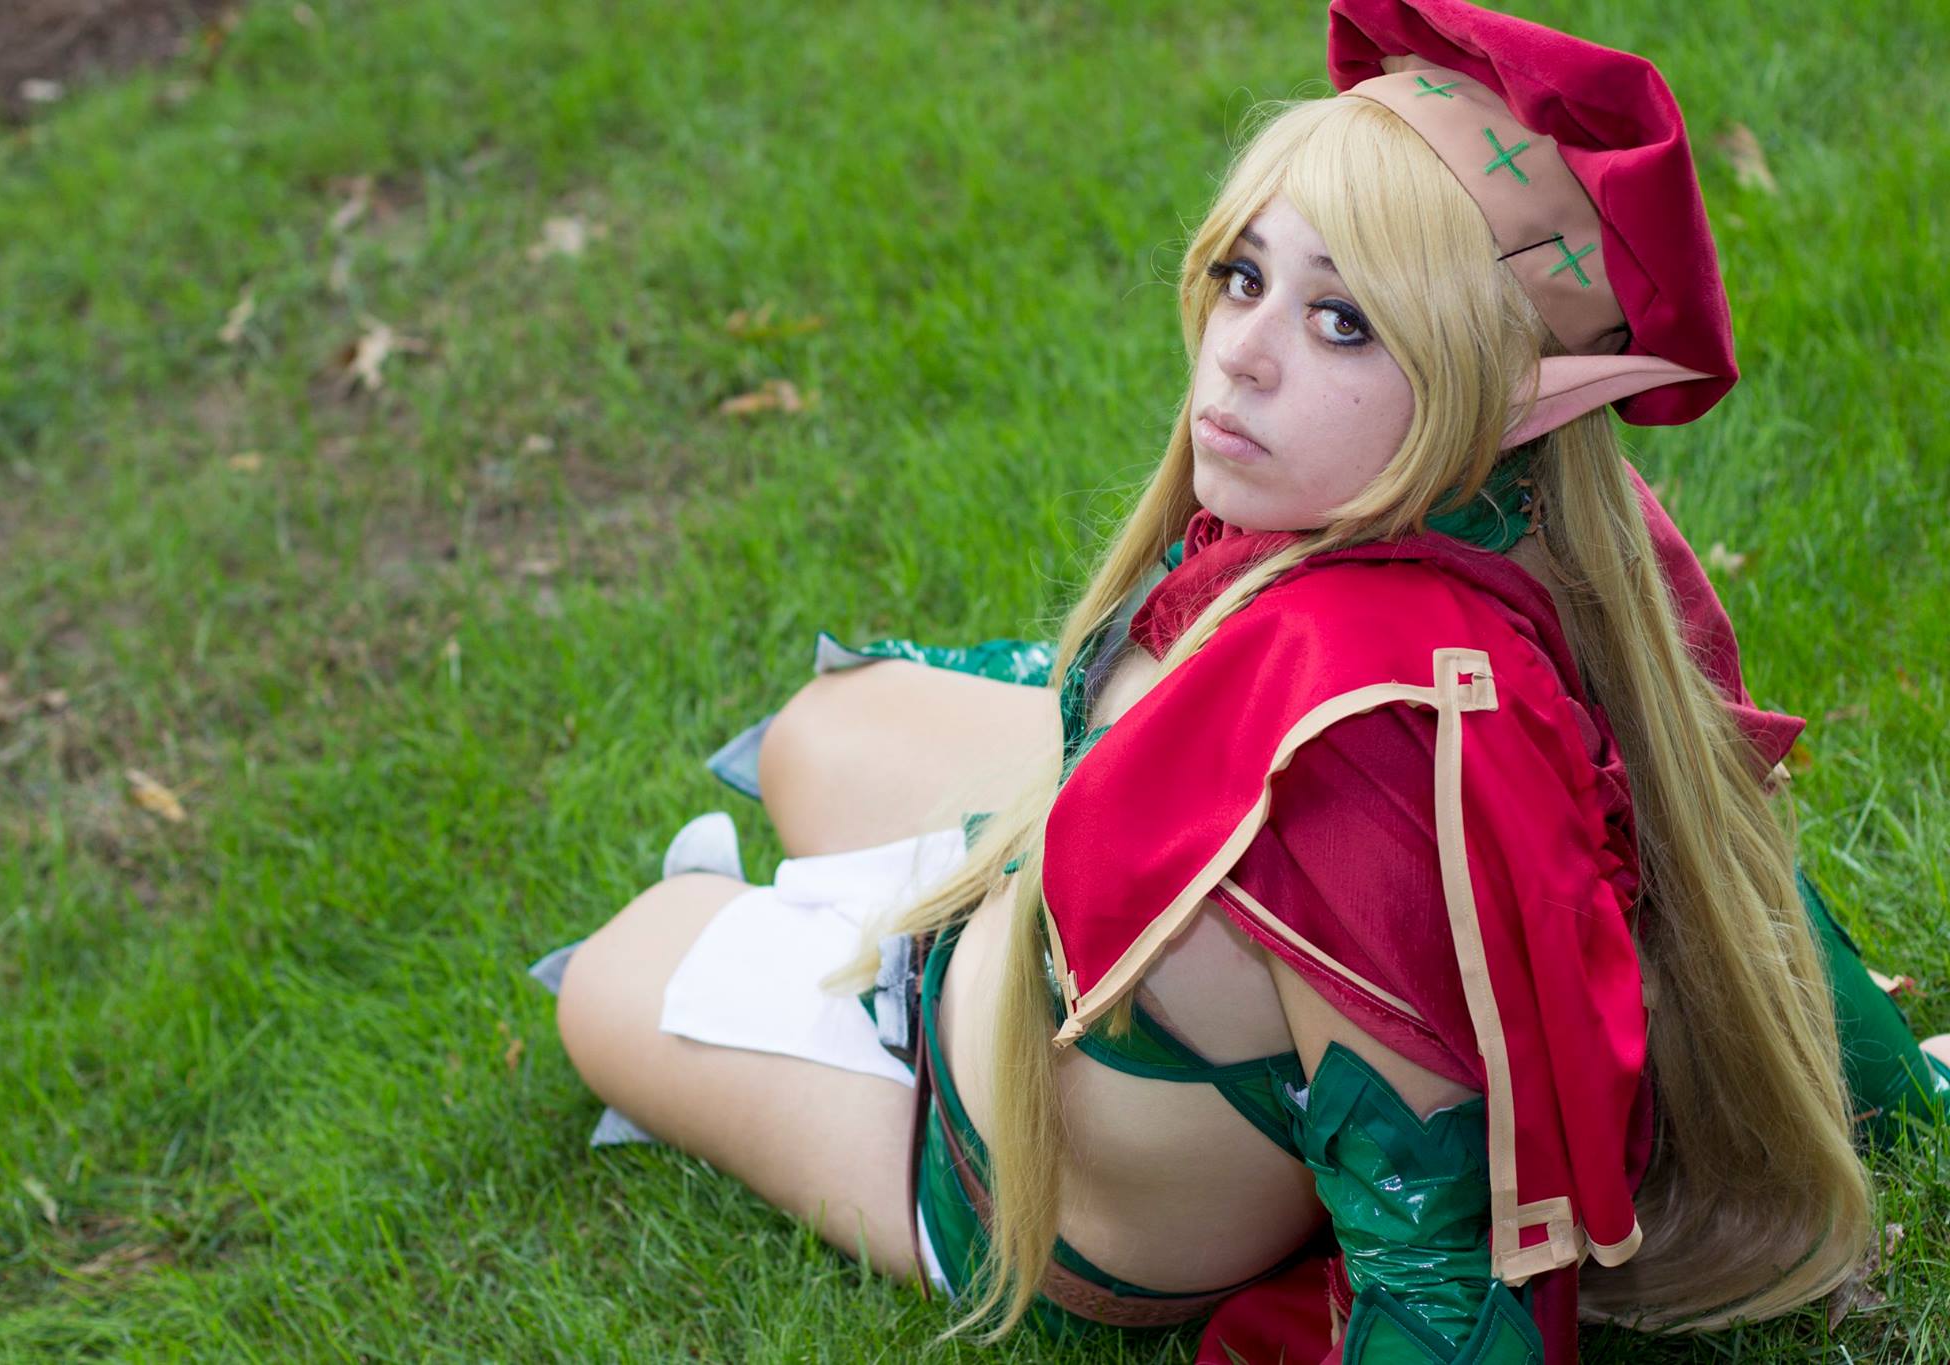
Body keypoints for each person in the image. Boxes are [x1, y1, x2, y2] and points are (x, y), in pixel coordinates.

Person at [541, 2, 1950, 1360]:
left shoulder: (1368, 752)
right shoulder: (1559, 520)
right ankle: (901, 908)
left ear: (1501, 391)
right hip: (1041, 915)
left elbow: (1443, 1276)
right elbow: (1722, 863)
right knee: (815, 734)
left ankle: (813, 978)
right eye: (1245, 274)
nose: (1242, 354)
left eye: (1345, 322)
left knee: (619, 969)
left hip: (1008, 1168)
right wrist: (1884, 1087)